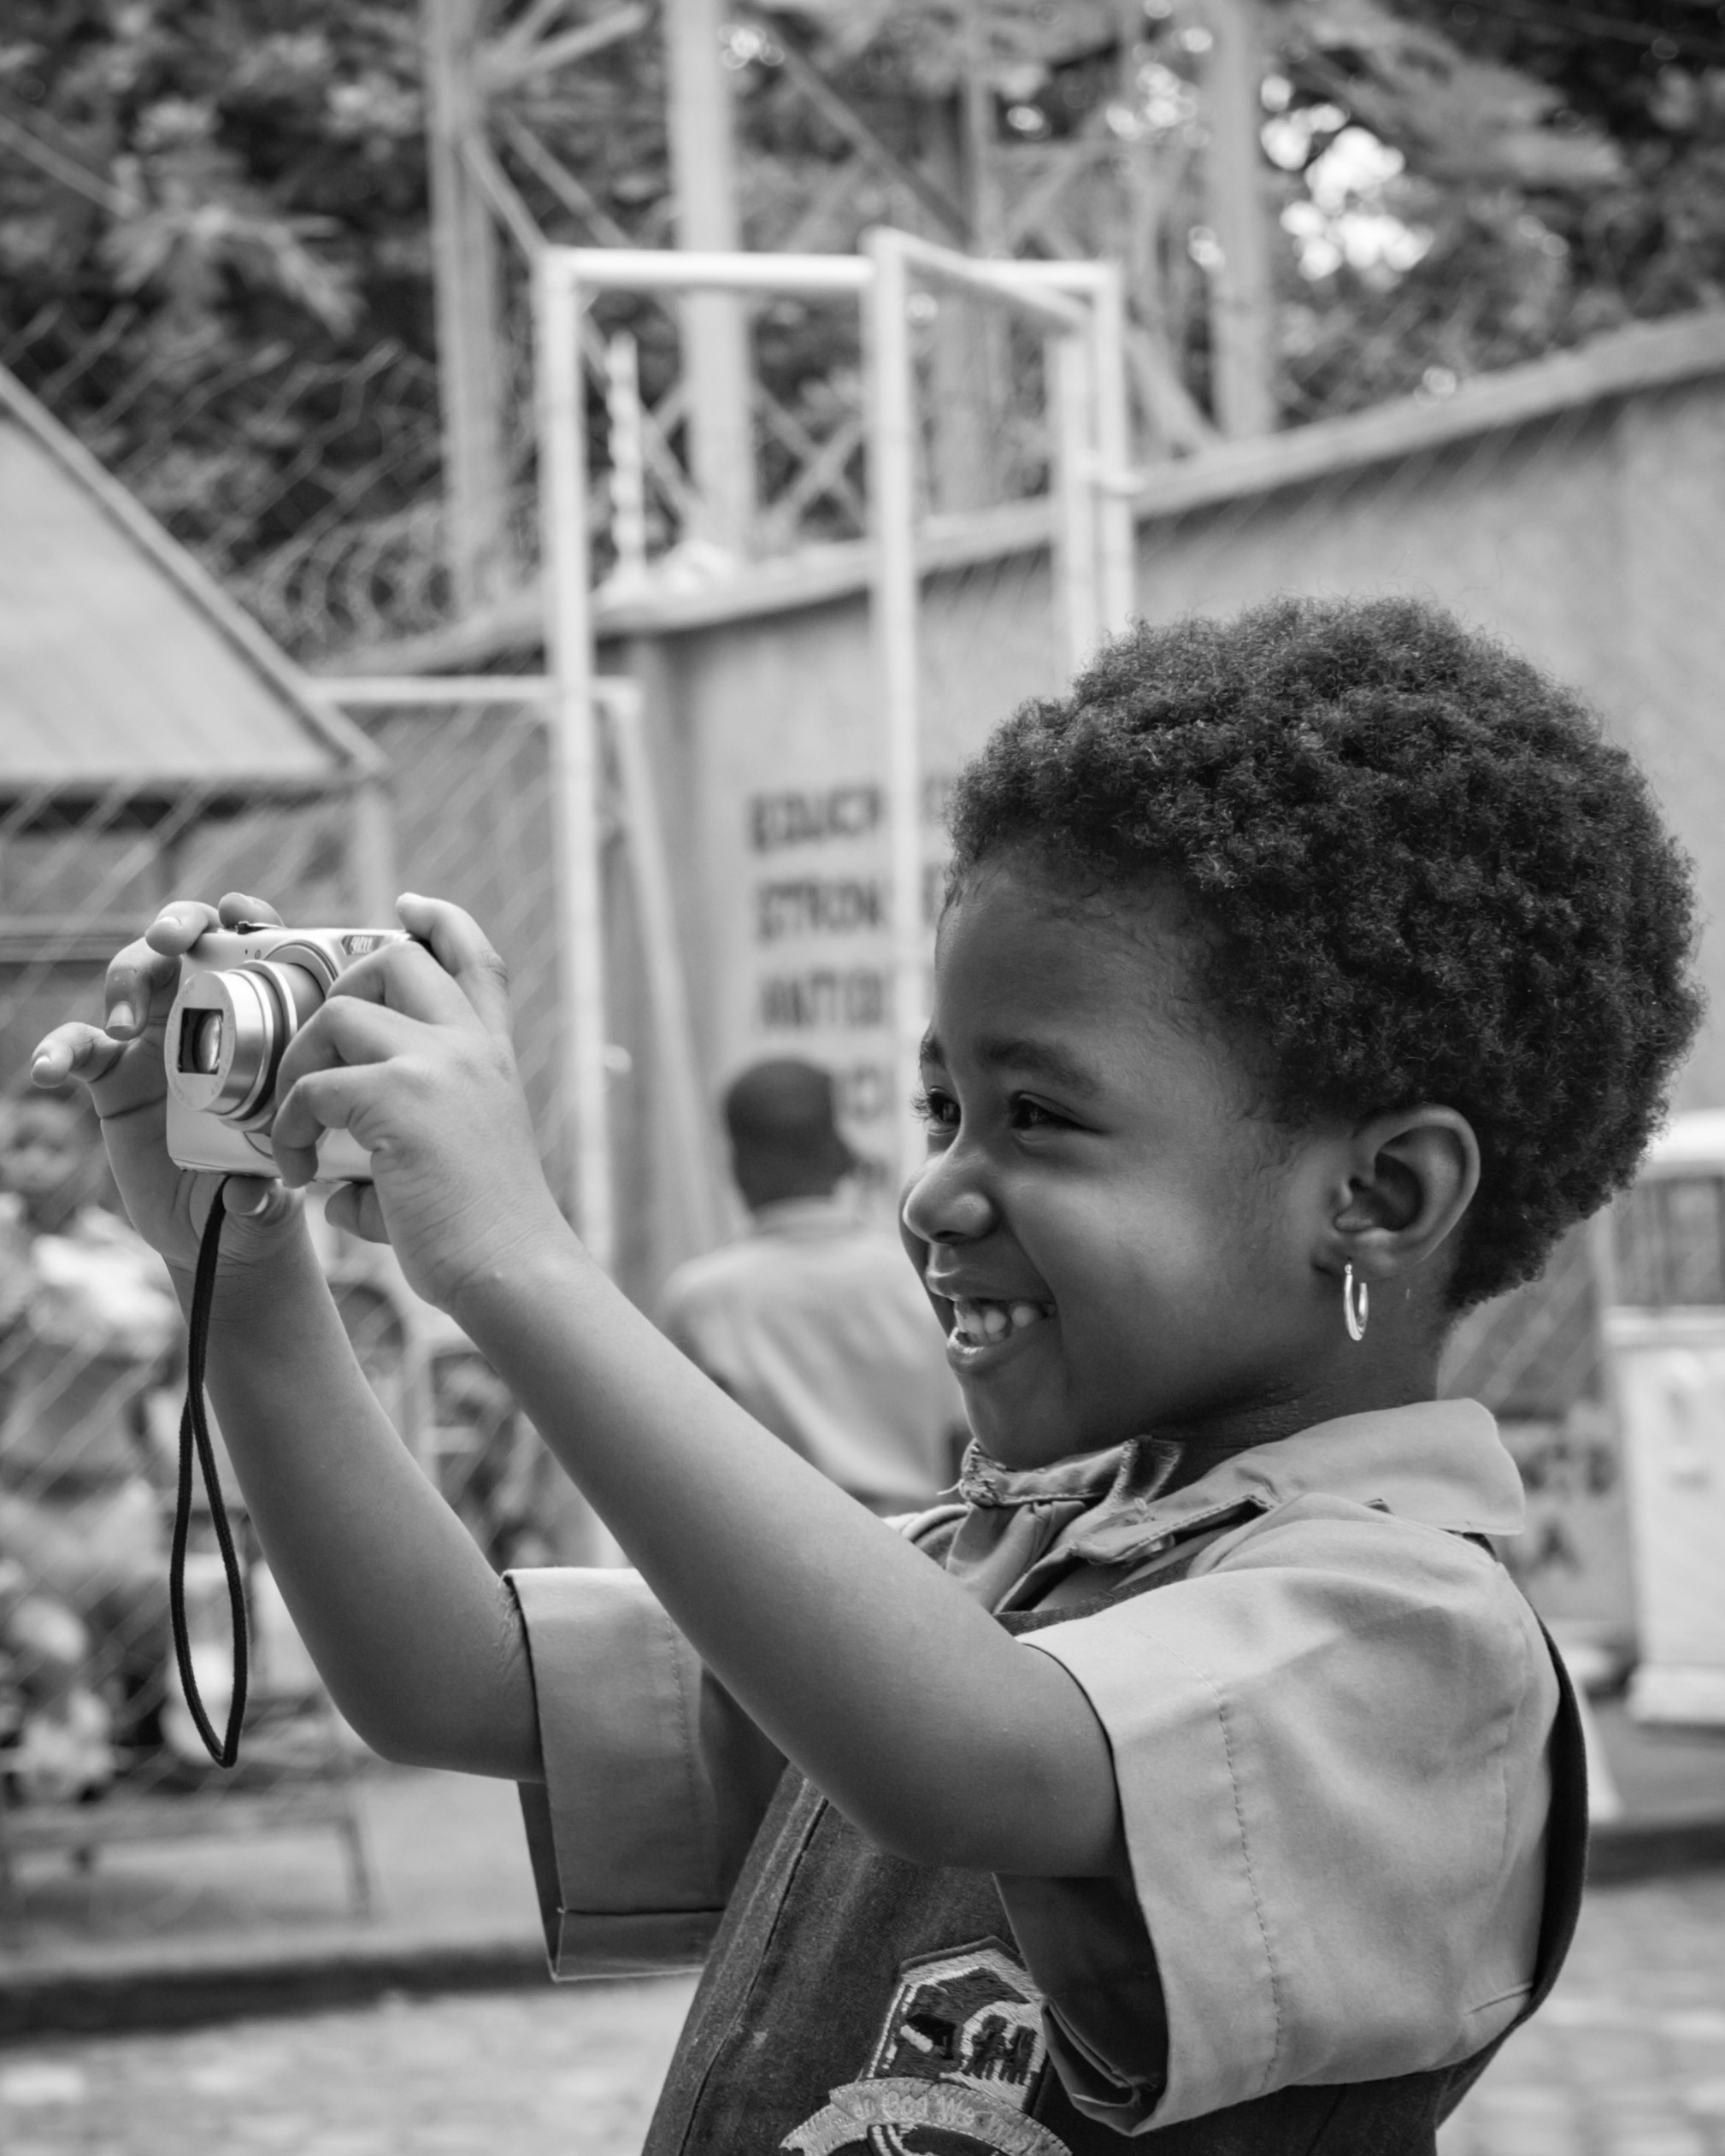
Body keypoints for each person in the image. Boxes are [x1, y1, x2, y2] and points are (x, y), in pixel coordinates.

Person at [32, 597, 1699, 2150]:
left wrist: (517, 1258)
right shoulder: (1010, 1562)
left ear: (1380, 1198)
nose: (936, 1191)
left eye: (1036, 1115)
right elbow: (451, 1678)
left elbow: (974, 1753)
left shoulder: (1419, 1640)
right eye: (939, 1109)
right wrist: (243, 1272)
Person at [660, 1058, 966, 1514]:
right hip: (924, 1549)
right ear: (841, 1155)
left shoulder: (703, 1302)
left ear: (739, 1168)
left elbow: (679, 1473)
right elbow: (966, 1449)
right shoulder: (923, 1280)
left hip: (773, 1558)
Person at [0, 1087, 179, 1776]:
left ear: (93, 1159)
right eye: (20, 1146)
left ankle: (149, 1744)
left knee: (157, 1603)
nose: (35, 1165)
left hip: (113, 1499)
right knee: (55, 1649)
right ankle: (62, 1738)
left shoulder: (122, 1255)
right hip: (20, 1505)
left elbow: (162, 1351)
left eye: (55, 1148)